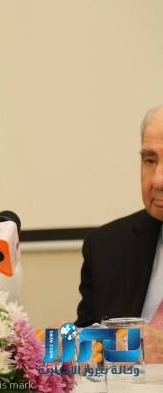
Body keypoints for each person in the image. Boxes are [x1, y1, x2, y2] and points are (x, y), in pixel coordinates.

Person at [76, 105, 163, 362]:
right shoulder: (106, 246)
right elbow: (89, 350)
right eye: (150, 160)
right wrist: (75, 343)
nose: (157, 180)